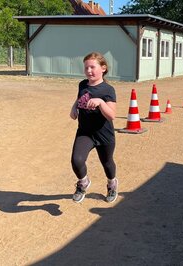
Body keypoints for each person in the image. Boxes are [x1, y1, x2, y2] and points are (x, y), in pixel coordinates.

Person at [70, 52, 118, 203]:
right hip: (85, 132)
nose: (89, 71)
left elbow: (111, 115)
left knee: (107, 163)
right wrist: (74, 107)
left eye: (92, 67)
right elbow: (80, 98)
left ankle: (112, 184)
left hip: (104, 134)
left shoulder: (108, 90)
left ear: (103, 68)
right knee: (77, 160)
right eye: (86, 68)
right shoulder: (83, 84)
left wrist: (101, 102)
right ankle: (83, 182)